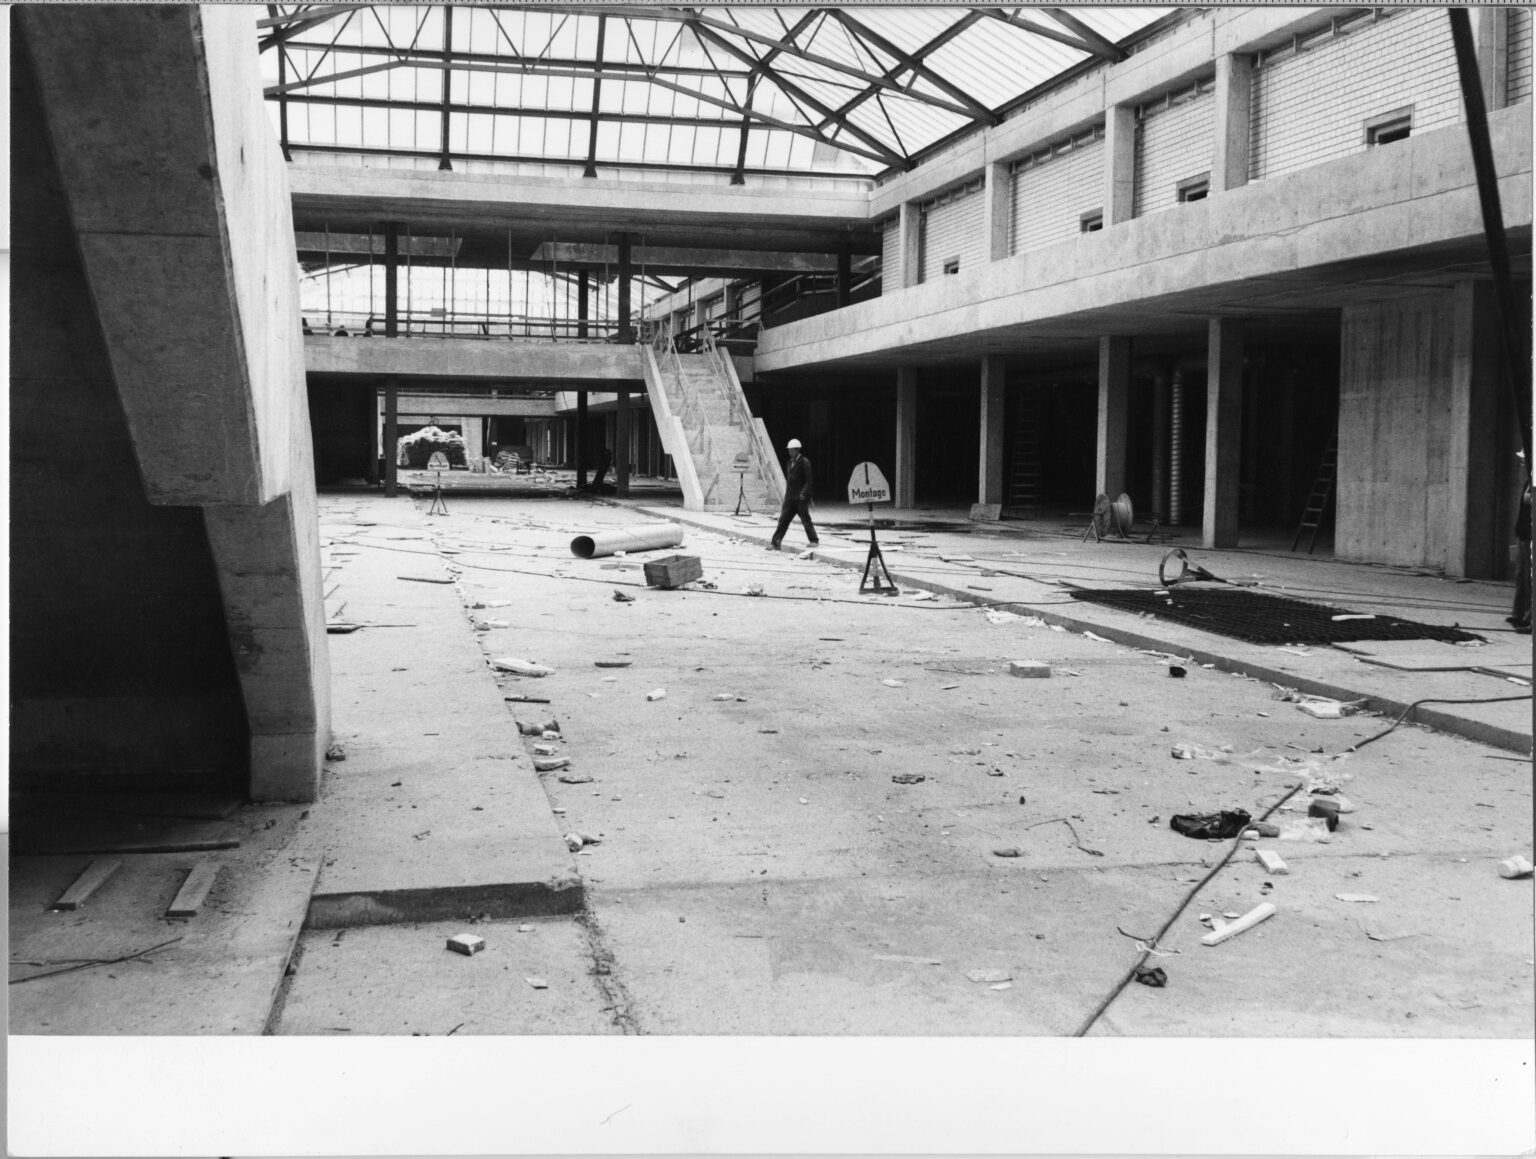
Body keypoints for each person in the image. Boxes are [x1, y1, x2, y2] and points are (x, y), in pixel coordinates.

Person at [770, 438, 819, 550]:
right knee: (783, 520)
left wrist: (804, 493)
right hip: (790, 498)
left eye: (792, 450)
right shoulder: (790, 463)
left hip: (800, 498)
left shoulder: (804, 462)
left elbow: (809, 481)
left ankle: (814, 540)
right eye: (789, 450)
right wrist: (786, 496)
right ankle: (776, 542)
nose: (790, 452)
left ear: (797, 450)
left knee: (805, 520)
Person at [1511, 454, 1531, 634]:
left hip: (1530, 537)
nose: (1521, 464)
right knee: (1521, 575)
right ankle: (1519, 613)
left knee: (1529, 578)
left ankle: (1528, 618)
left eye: (1524, 461)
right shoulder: (1527, 483)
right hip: (1524, 535)